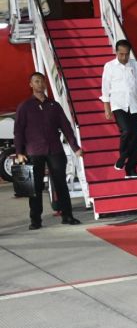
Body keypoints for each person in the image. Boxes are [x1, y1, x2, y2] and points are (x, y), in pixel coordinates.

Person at [14, 72, 83, 229]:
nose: (40, 84)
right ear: (31, 85)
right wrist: (19, 152)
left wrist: (75, 147)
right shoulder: (24, 107)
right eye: (36, 81)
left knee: (61, 185)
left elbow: (66, 126)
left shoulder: (54, 105)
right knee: (36, 188)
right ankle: (35, 221)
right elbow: (18, 131)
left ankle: (67, 216)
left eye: (42, 81)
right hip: (34, 152)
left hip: (54, 150)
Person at [100, 39, 137, 179]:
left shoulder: (135, 65)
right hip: (118, 104)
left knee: (136, 138)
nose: (124, 57)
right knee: (126, 131)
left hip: (133, 104)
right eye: (121, 54)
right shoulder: (109, 66)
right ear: (116, 52)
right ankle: (122, 157)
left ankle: (131, 170)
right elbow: (105, 87)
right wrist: (106, 107)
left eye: (126, 54)